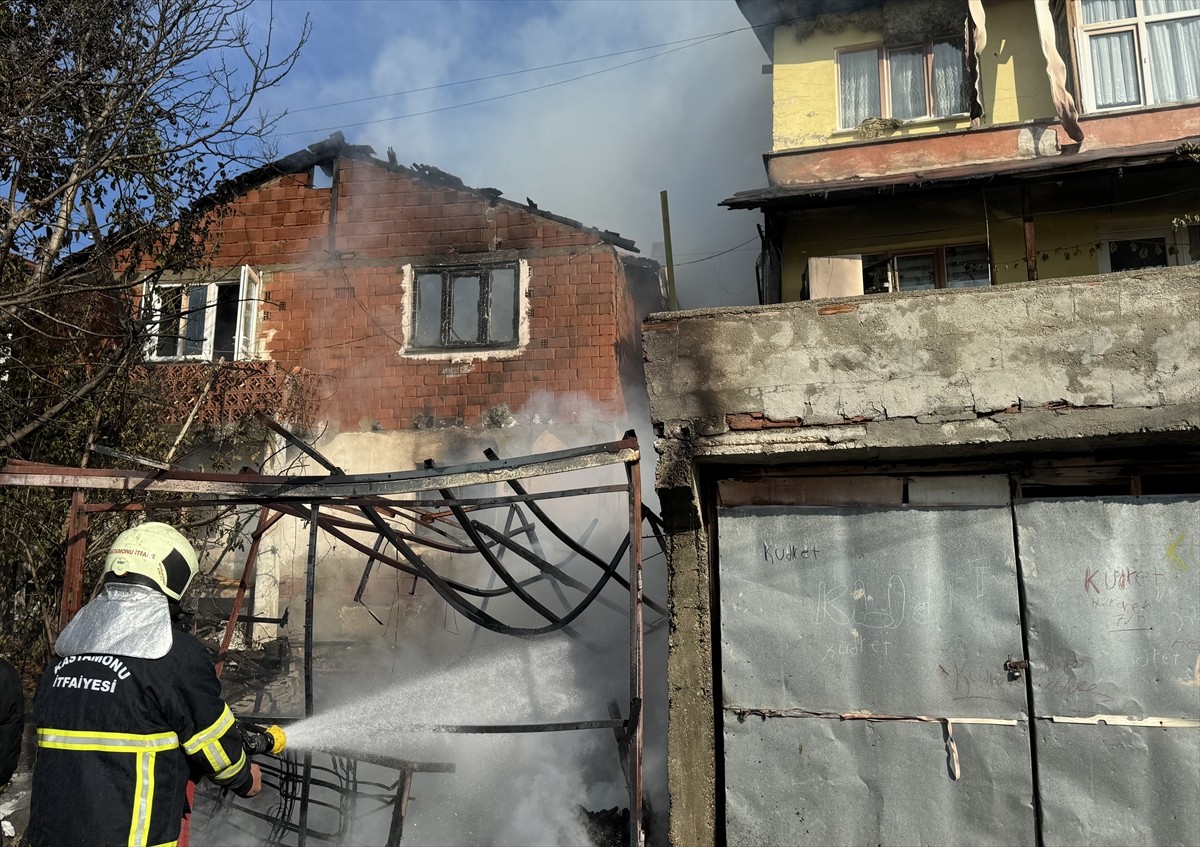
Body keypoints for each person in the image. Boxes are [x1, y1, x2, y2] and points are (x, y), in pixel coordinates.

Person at [27, 522, 261, 847]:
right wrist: (245, 778)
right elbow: (213, 744)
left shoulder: (65, 654)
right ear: (173, 579)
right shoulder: (176, 655)